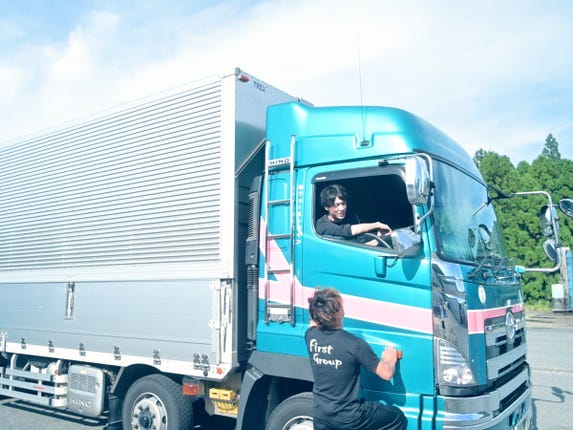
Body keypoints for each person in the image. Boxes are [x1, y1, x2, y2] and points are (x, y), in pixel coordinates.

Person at [306, 287, 407, 430]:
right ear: (338, 312)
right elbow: (386, 373)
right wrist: (389, 360)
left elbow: (313, 320)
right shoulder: (355, 345)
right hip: (349, 418)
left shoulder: (311, 336)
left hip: (321, 416)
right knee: (397, 417)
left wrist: (316, 300)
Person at [316, 184, 392, 246]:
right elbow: (348, 231)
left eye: (343, 204)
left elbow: (359, 241)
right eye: (337, 205)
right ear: (326, 207)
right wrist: (377, 225)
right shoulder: (322, 225)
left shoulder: (351, 216)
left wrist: (379, 238)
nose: (342, 208)